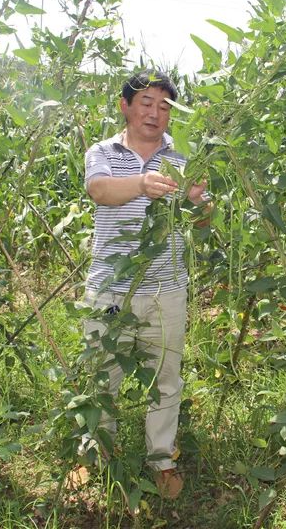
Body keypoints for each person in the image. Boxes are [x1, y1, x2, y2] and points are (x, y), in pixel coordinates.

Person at [78, 69, 207, 499]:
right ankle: (95, 452)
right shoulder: (103, 151)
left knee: (166, 379)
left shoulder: (185, 158)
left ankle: (162, 459)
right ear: (125, 106)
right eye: (146, 103)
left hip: (166, 288)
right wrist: (142, 185)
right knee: (102, 375)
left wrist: (200, 203)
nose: (155, 112)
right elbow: (99, 191)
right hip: (110, 287)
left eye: (165, 105)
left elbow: (204, 219)